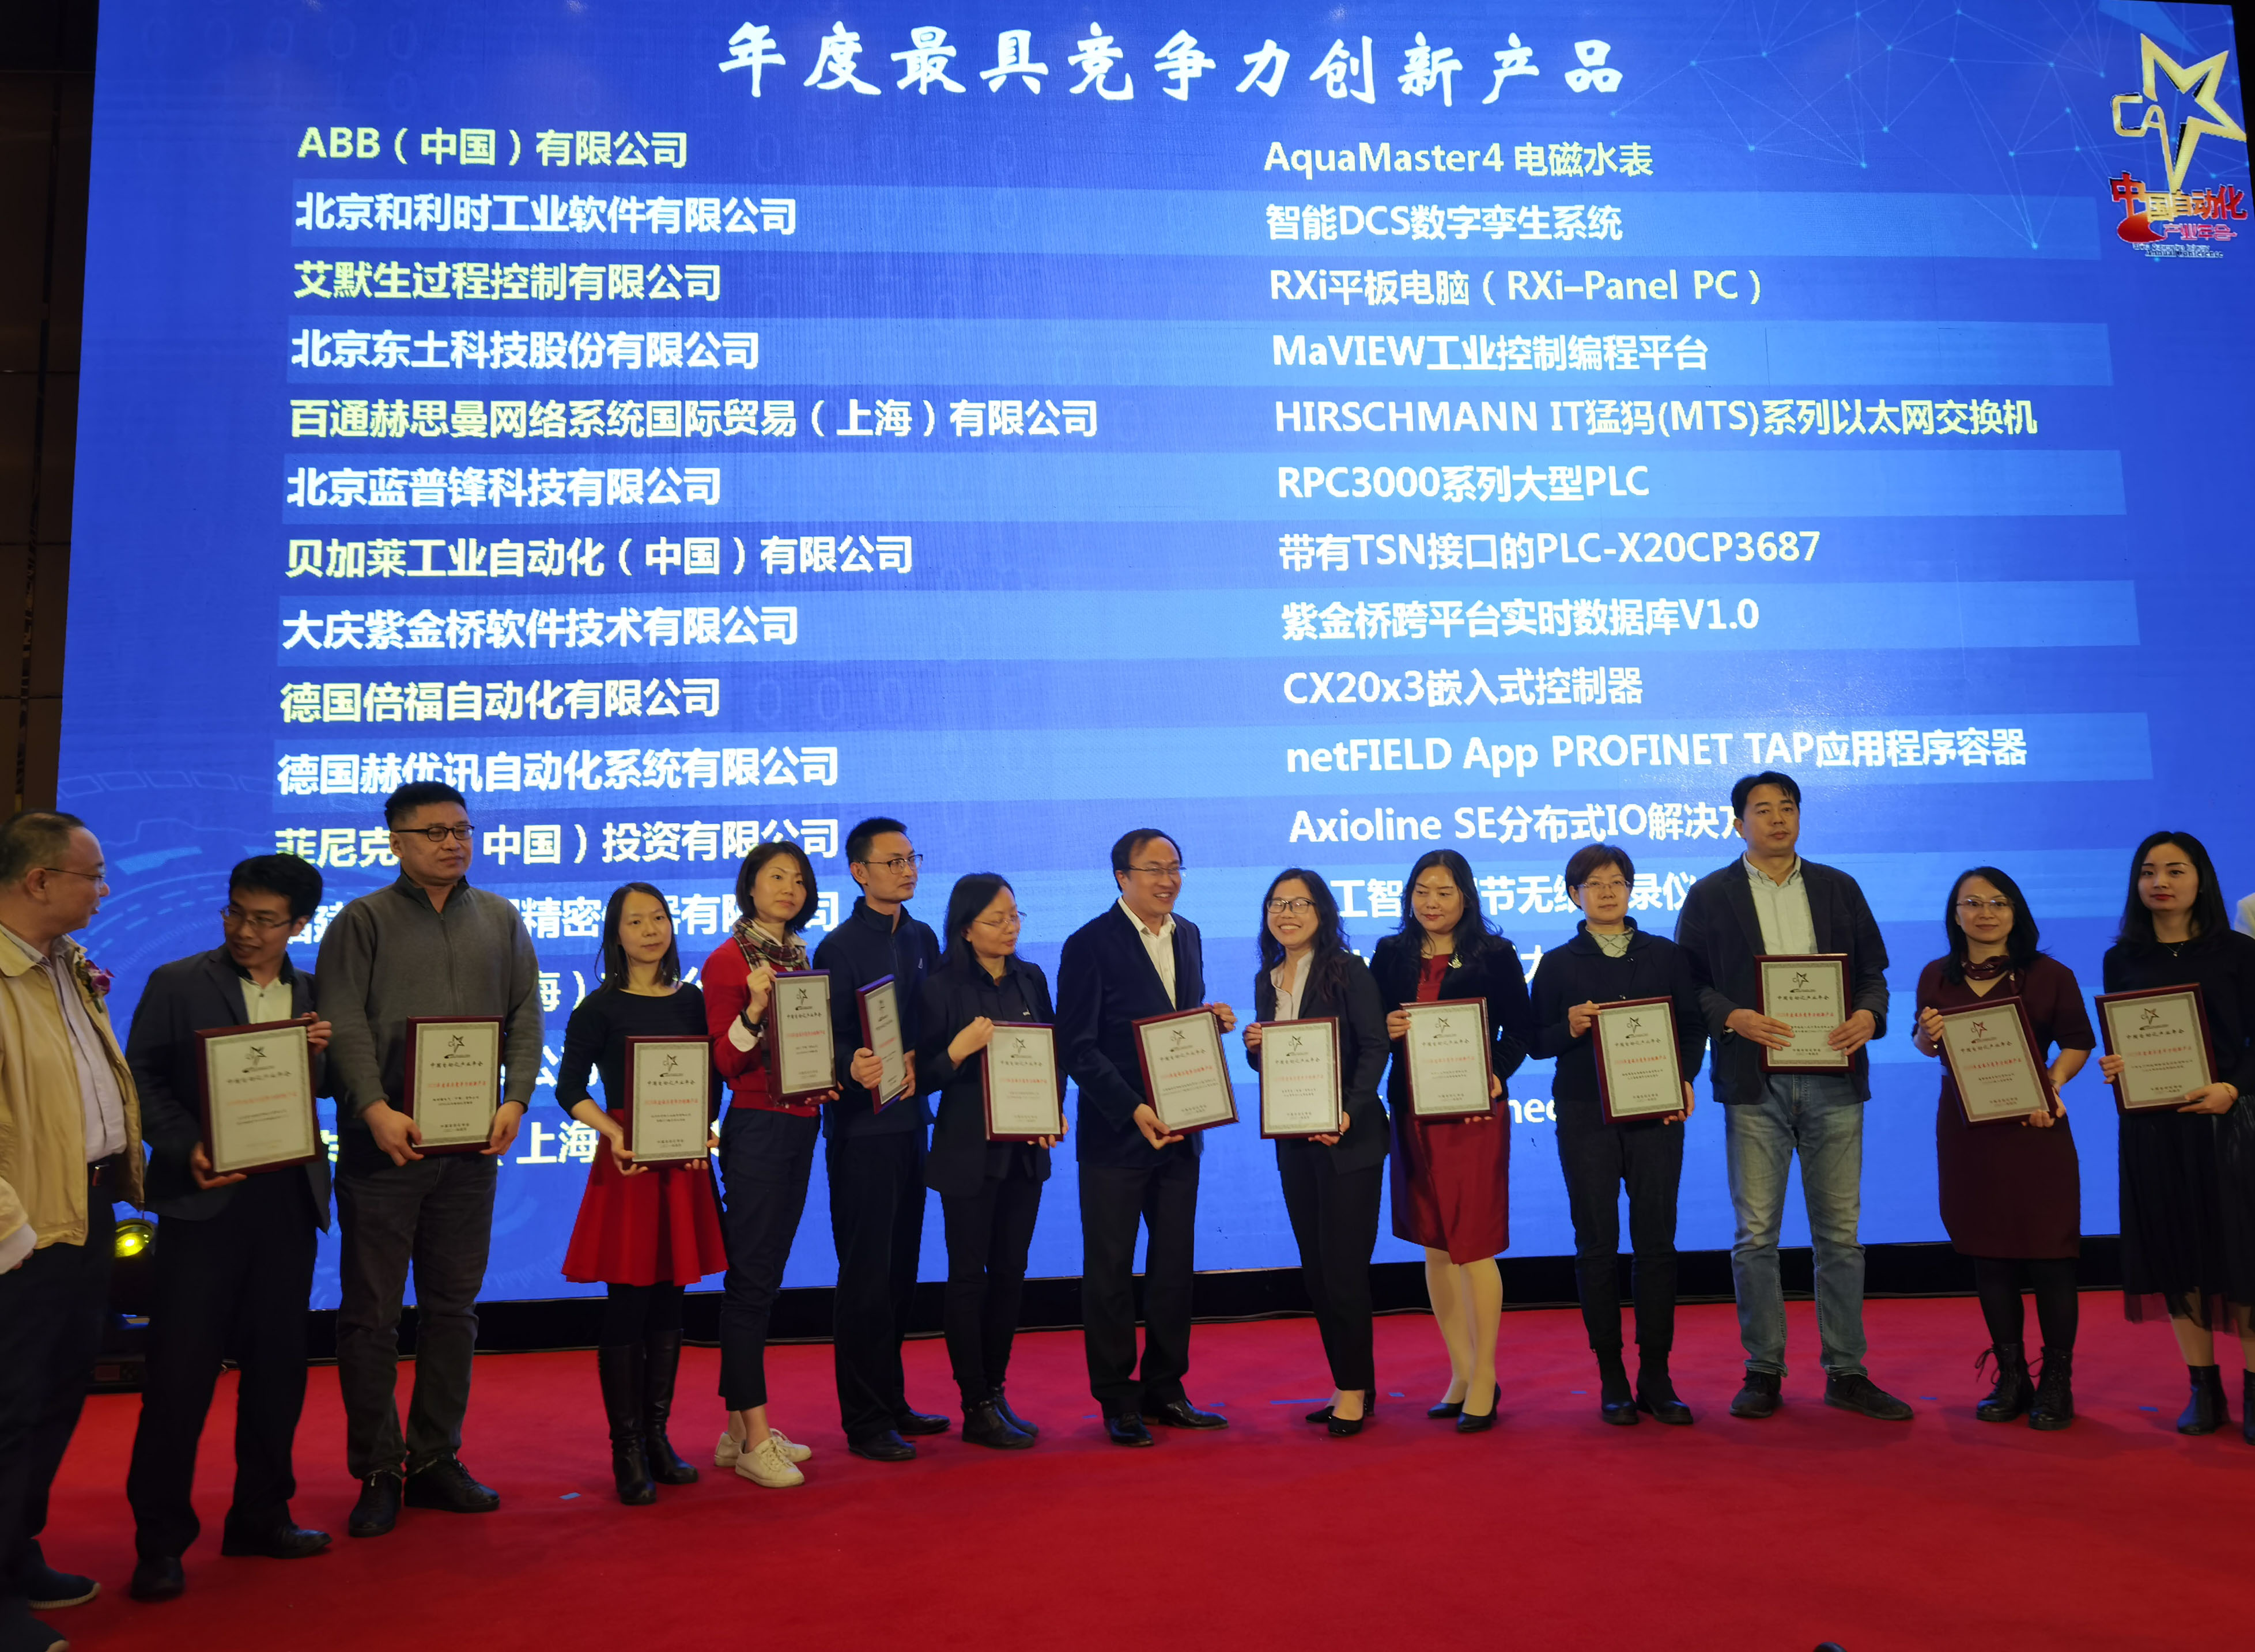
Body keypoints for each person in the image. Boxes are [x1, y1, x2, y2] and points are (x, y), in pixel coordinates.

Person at [316, 781, 543, 1538]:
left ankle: (437, 1456)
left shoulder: (500, 917)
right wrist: (374, 1107)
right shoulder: (362, 920)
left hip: (470, 1150)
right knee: (371, 1315)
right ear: (396, 841)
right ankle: (378, 1467)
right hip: (384, 1147)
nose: (453, 842)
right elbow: (343, 1021)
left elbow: (525, 1014)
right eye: (435, 831)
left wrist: (516, 1098)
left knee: (453, 1310)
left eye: (462, 829)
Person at [123, 856, 334, 1602]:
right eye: (236, 911)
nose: (245, 929)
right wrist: (187, 1145)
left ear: (298, 924)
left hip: (286, 1203)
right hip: (202, 1202)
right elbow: (139, 1077)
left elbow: (329, 1086)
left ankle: (261, 1515)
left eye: (265, 919)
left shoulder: (315, 992)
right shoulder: (178, 981)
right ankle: (159, 1543)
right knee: (178, 1379)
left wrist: (321, 1057)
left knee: (278, 1371)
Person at [1674, 771, 1912, 1423]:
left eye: (1787, 807)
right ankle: (1763, 1368)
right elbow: (1688, 983)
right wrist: (1732, 1016)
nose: (1777, 818)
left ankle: (1847, 1370)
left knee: (1840, 1235)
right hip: (1754, 1080)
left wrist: (1868, 1015)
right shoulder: (1710, 894)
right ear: (1737, 823)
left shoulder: (1838, 886)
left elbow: (1872, 974)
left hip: (1834, 1075)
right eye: (1762, 809)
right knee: (1755, 1234)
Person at [0, 811, 141, 1651]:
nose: (104, 888)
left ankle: (16, 1555)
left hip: (84, 1210)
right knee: (7, 1408)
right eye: (92, 874)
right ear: (38, 879)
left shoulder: (64, 963)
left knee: (56, 1393)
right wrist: (9, 1233)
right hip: (19, 1234)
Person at [1057, 828, 1236, 1446]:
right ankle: (1117, 1397)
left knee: (1173, 1267)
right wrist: (1131, 1107)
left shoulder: (1188, 934)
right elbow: (1077, 1045)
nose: (1168, 879)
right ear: (1122, 877)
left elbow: (1174, 1029)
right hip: (1117, 1136)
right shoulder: (1088, 943)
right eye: (1154, 868)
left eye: (1175, 867)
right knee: (1109, 1269)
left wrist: (1208, 1022)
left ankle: (1166, 1388)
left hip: (1182, 1132)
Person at [556, 883, 727, 1504]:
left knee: (670, 1302)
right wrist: (614, 1132)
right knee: (628, 1302)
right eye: (636, 921)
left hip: (682, 1162)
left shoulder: (693, 1001)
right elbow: (569, 1088)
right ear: (616, 934)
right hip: (629, 1162)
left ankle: (657, 1437)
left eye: (659, 917)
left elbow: (711, 1077)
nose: (651, 930)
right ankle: (625, 1447)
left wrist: (703, 1125)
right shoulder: (597, 1008)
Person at [1909, 867, 2091, 1430]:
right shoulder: (1935, 975)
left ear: (2016, 911)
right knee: (1988, 1254)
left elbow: (2077, 1042)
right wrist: (1925, 1034)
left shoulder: (2051, 974)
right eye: (1972, 902)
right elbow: (1924, 1044)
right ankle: (2011, 1376)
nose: (1985, 912)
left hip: (2036, 1127)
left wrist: (2050, 1085)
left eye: (1998, 902)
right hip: (1968, 1131)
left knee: (2050, 1256)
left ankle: (2056, 1381)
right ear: (1954, 913)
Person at [1529, 844, 1705, 1427]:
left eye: (1617, 881)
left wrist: (1683, 1077)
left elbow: (1691, 1026)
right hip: (1586, 1114)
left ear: (1631, 889)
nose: (1606, 892)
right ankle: (1611, 1374)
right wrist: (1567, 1027)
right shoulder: (1557, 963)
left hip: (1655, 1113)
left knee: (1656, 1242)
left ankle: (1656, 1373)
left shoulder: (1666, 954)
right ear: (1572, 894)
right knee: (1596, 1243)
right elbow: (1536, 1041)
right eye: (1593, 883)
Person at [2097, 830, 2255, 1440]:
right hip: (2151, 1127)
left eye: (2174, 869)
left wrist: (2233, 1088)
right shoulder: (2121, 959)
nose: (2159, 881)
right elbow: (2123, 1037)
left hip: (2225, 1123)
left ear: (2200, 878)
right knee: (2174, 1252)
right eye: (2147, 870)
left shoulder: (2239, 953)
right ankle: (2202, 1387)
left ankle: (2253, 1387)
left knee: (2240, 1255)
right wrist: (2117, 1064)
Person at [1371, 849, 1525, 1434]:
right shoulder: (1389, 953)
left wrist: (1497, 1071)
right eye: (1421, 891)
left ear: (1466, 895)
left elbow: (1521, 1030)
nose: (1431, 902)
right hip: (1412, 1108)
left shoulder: (1495, 954)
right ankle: (1460, 1370)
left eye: (1443, 891)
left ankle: (1486, 1374)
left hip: (1471, 1115)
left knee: (1472, 1244)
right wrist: (1384, 1027)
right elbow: (1368, 1029)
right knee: (1434, 1244)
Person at [811, 818, 946, 1463]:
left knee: (900, 1272)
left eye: (912, 858)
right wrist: (849, 1061)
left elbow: (932, 1018)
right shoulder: (837, 946)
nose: (908, 869)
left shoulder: (922, 937)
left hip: (910, 1122)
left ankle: (892, 1401)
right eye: (893, 861)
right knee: (864, 1275)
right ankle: (864, 1419)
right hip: (861, 1128)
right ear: (859, 872)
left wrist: (923, 1052)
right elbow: (822, 1033)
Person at [703, 840, 834, 1488]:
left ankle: (736, 1433)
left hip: (802, 1122)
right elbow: (726, 1062)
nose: (789, 887)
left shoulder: (801, 959)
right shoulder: (729, 960)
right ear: (749, 886)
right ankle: (756, 1441)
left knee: (766, 1276)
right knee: (752, 1281)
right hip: (757, 1127)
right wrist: (754, 1009)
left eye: (799, 878)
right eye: (775, 876)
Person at [916, 874, 1061, 1449]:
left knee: (1009, 1274)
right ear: (965, 928)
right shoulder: (939, 988)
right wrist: (958, 1049)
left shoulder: (1031, 977)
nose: (1010, 927)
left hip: (1023, 1152)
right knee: (967, 1278)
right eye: (996, 919)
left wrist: (1053, 1108)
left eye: (1014, 915)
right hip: (968, 1154)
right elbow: (921, 1076)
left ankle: (996, 1391)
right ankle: (974, 1402)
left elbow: (1052, 1053)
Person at [1243, 871, 1388, 1437]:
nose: (1286, 913)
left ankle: (1352, 1389)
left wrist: (1347, 1109)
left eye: (1299, 903)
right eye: (1277, 904)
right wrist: (1255, 1048)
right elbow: (1276, 1064)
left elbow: (1374, 1046)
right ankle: (1350, 1382)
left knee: (1344, 1268)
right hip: (1295, 1141)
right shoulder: (1267, 978)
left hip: (1349, 1139)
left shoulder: (1348, 970)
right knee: (1318, 1270)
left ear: (1322, 911)